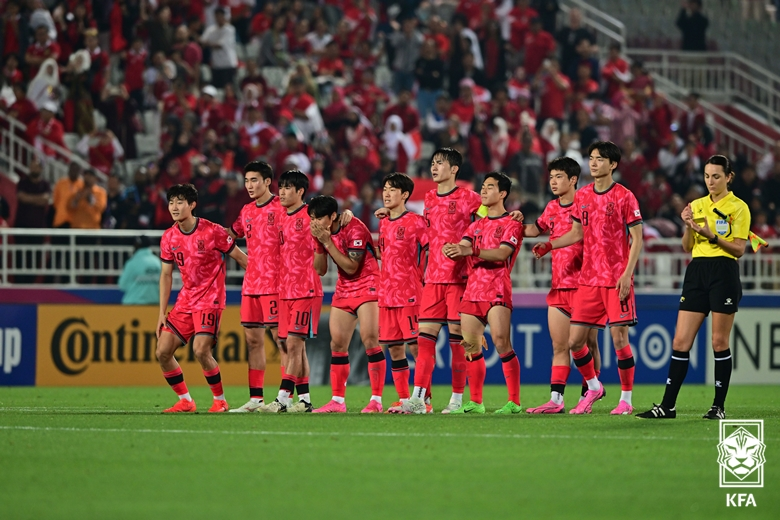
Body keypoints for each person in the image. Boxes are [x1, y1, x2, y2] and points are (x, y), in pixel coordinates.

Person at [533, 141, 643, 415]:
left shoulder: (624, 196)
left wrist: (627, 274)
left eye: (600, 159)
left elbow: (637, 238)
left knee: (619, 340)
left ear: (613, 164)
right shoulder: (582, 196)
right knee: (575, 342)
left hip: (616, 280)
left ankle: (626, 400)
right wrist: (550, 244)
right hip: (588, 281)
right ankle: (594, 386)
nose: (594, 163)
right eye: (591, 158)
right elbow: (576, 234)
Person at [637, 155, 749, 420]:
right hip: (697, 271)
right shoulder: (697, 205)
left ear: (728, 177)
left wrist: (712, 235)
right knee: (680, 341)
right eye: (707, 176)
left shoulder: (739, 207)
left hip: (724, 270)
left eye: (716, 176)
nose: (710, 181)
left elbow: (739, 249)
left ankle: (718, 407)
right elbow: (687, 247)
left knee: (718, 341)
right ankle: (667, 406)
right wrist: (688, 226)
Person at [155, 183, 248, 413]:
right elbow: (166, 275)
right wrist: (161, 312)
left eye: (180, 202)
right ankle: (186, 400)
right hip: (186, 301)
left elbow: (240, 258)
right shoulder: (168, 237)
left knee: (201, 350)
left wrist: (264, 280)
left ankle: (220, 400)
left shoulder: (212, 231)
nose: (174, 207)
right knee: (162, 351)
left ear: (192, 205)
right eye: (171, 202)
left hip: (211, 299)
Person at [524, 157, 601, 413]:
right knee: (560, 345)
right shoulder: (552, 207)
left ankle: (587, 395)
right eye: (552, 177)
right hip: (559, 285)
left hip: (586, 285)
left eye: (559, 177)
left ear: (573, 180)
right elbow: (535, 229)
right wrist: (509, 222)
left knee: (587, 344)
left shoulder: (589, 204)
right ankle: (556, 400)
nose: (554, 182)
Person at [442, 171, 524, 414]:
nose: (484, 191)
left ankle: (514, 402)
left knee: (501, 343)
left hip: (497, 290)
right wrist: (454, 248)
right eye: (483, 186)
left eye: (490, 187)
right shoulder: (475, 225)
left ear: (502, 194)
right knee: (470, 345)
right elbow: (464, 246)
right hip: (473, 291)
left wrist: (471, 252)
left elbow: (501, 254)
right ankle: (476, 402)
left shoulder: (512, 223)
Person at [308, 195, 383, 413]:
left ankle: (376, 400)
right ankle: (337, 401)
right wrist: (320, 244)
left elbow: (351, 267)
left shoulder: (355, 228)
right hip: (344, 289)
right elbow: (320, 270)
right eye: (312, 218)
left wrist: (327, 242)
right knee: (337, 344)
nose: (314, 223)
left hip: (368, 284)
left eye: (318, 218)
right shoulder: (321, 233)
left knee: (370, 339)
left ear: (332, 216)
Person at [260, 170, 323, 413]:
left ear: (300, 192)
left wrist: (347, 215)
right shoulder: (282, 218)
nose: (282, 192)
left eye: (288, 188)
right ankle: (305, 400)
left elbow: (334, 222)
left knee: (294, 345)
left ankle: (283, 398)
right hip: (285, 291)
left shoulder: (311, 216)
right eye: (281, 187)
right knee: (293, 346)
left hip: (306, 290)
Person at [227, 161, 286, 412]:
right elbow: (230, 235)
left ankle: (286, 397)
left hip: (275, 284)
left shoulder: (282, 207)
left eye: (254, 180)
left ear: (267, 182)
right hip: (251, 284)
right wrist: (243, 259)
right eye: (246, 180)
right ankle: (256, 399)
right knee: (253, 341)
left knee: (281, 341)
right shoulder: (246, 210)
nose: (249, 185)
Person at [377, 174, 429, 413]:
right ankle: (403, 398)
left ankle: (424, 401)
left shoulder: (417, 222)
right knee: (394, 348)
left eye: (392, 190)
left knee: (417, 348)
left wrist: (427, 280)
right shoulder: (384, 222)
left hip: (410, 294)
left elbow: (432, 250)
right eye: (385, 189)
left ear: (405, 195)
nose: (386, 193)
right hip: (387, 295)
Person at [118, 235, 161, 305]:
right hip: (154, 305)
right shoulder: (157, 262)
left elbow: (122, 284)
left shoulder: (132, 262)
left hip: (133, 304)